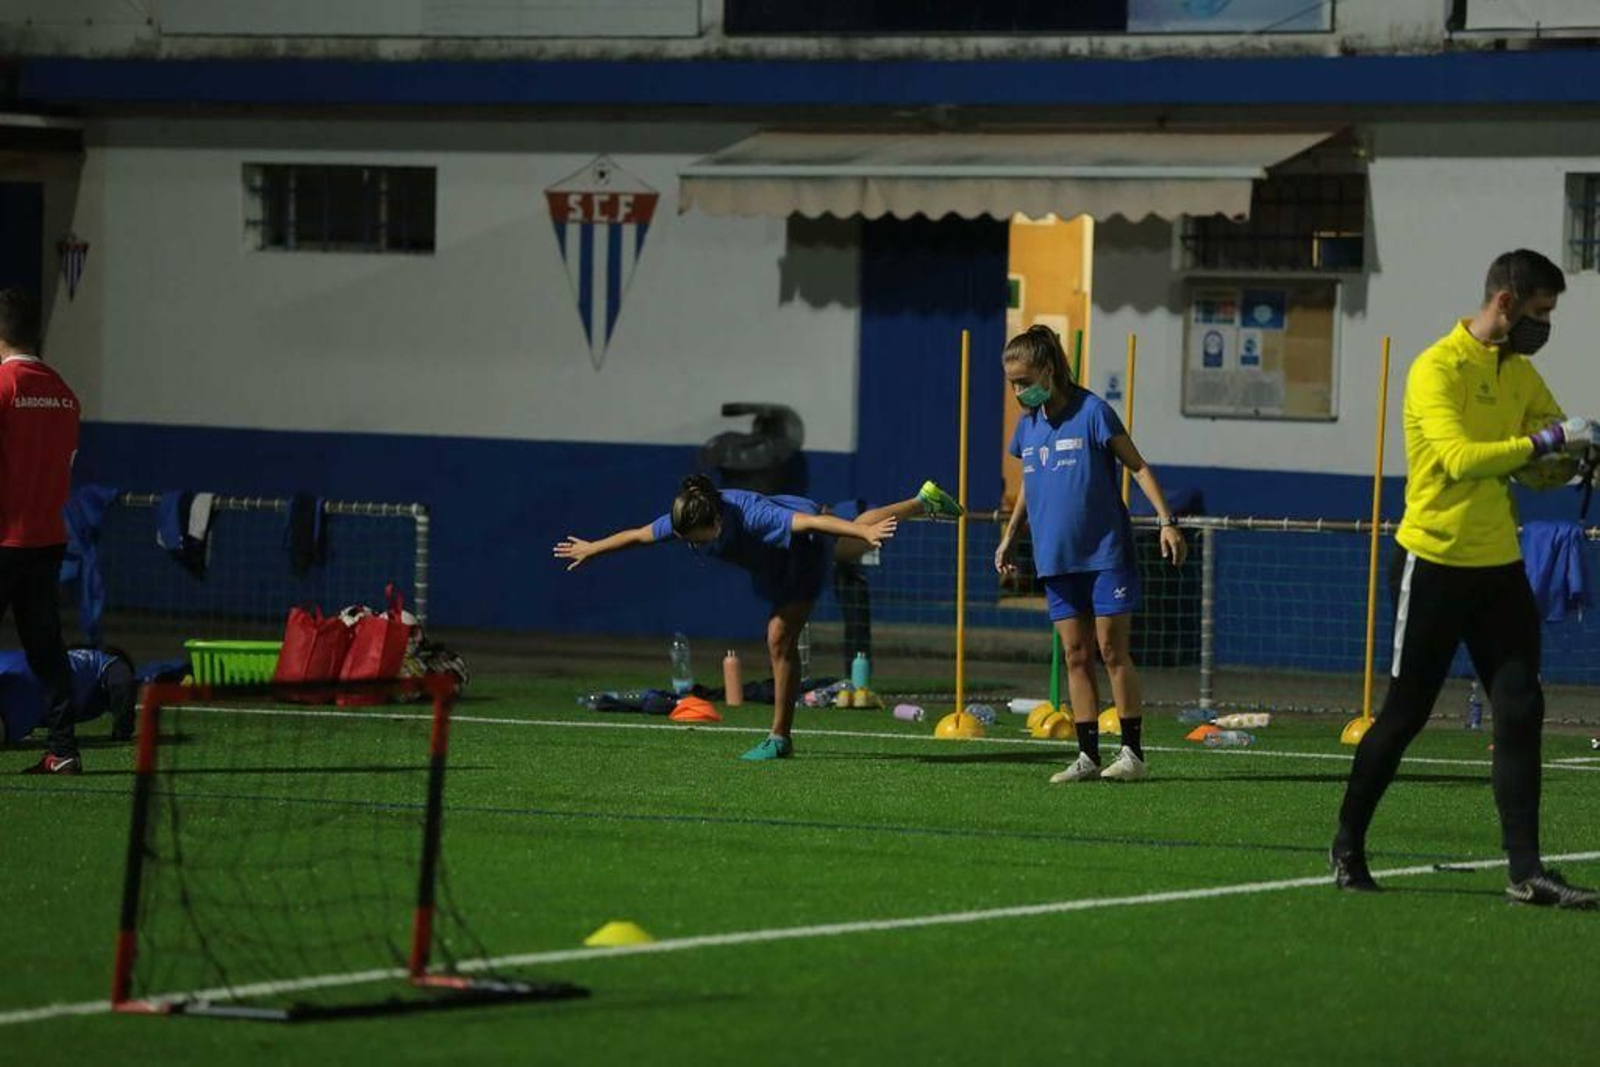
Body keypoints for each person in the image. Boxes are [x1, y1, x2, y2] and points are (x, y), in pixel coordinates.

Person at [1331, 249, 1598, 908]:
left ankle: (1527, 870)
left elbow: (1539, 460)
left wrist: (1571, 456)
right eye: (1540, 312)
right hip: (1434, 564)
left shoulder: (1520, 375)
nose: (1544, 327)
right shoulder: (1436, 368)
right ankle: (1346, 843)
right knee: (1403, 715)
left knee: (1521, 710)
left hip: (1498, 567)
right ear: (1506, 302)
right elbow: (1457, 459)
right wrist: (1547, 442)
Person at [554, 477, 963, 760]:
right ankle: (923, 501)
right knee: (846, 541)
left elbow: (812, 523)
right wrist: (593, 548)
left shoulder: (752, 515)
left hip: (803, 545)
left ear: (715, 522)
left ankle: (779, 737)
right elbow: (640, 534)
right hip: (789, 554)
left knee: (779, 637)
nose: (688, 545)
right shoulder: (690, 515)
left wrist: (864, 537)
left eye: (694, 538)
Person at [995, 325, 1186, 784]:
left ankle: (1133, 754)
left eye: (1024, 381)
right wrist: (1008, 536)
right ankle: (1087, 757)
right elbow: (1029, 485)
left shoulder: (1094, 412)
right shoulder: (1028, 428)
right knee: (1075, 656)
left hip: (1105, 555)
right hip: (1055, 560)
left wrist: (1166, 521)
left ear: (1047, 368)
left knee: (1111, 651)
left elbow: (1137, 467)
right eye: (1013, 384)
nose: (1019, 391)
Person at [0, 288, 83, 775]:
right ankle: (64, 750)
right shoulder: (63, 392)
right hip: (46, 539)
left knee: (46, 650)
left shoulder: (5, 388)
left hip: (4, 538)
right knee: (48, 650)